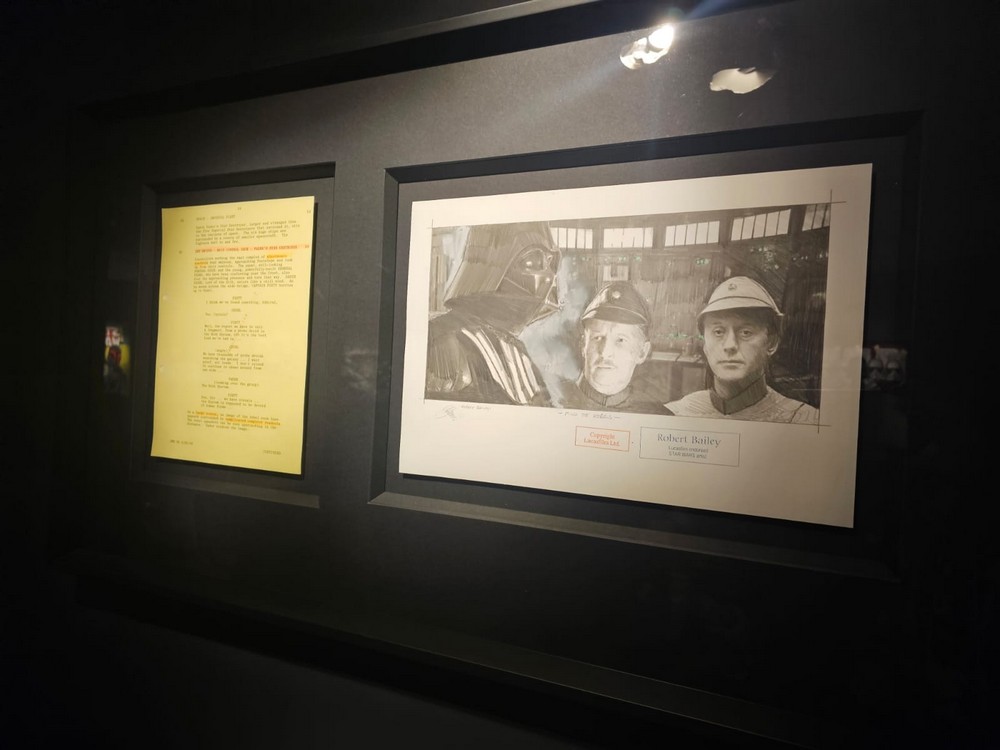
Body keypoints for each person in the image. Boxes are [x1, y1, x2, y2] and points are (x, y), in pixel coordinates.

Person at [425, 221, 561, 405]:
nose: (549, 277)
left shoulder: (516, 348)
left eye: (551, 263)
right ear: (495, 264)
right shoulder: (443, 339)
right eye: (532, 262)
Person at [665, 276, 820, 424]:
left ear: (771, 343)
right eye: (718, 332)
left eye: (746, 332)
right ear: (705, 344)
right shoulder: (676, 414)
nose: (730, 345)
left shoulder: (803, 419)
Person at [559, 281, 672, 414]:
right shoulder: (551, 402)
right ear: (583, 345)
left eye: (620, 340)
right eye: (597, 337)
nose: (605, 352)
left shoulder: (658, 416)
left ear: (642, 352)